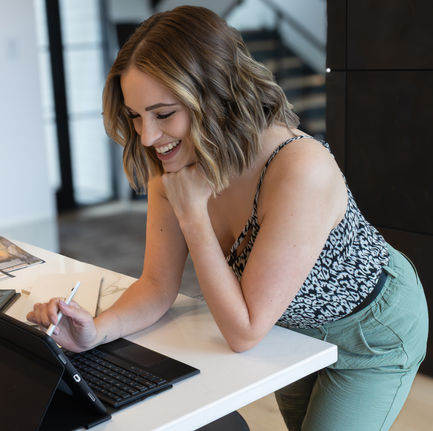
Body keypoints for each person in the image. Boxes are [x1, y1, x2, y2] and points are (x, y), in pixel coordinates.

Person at [28, 6, 428, 431]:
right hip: (292, 328)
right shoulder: (176, 166)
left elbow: (245, 332)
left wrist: (192, 216)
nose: (147, 137)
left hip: (372, 329)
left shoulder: (299, 168)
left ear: (217, 94)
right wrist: (96, 331)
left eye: (163, 114)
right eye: (135, 116)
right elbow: (157, 285)